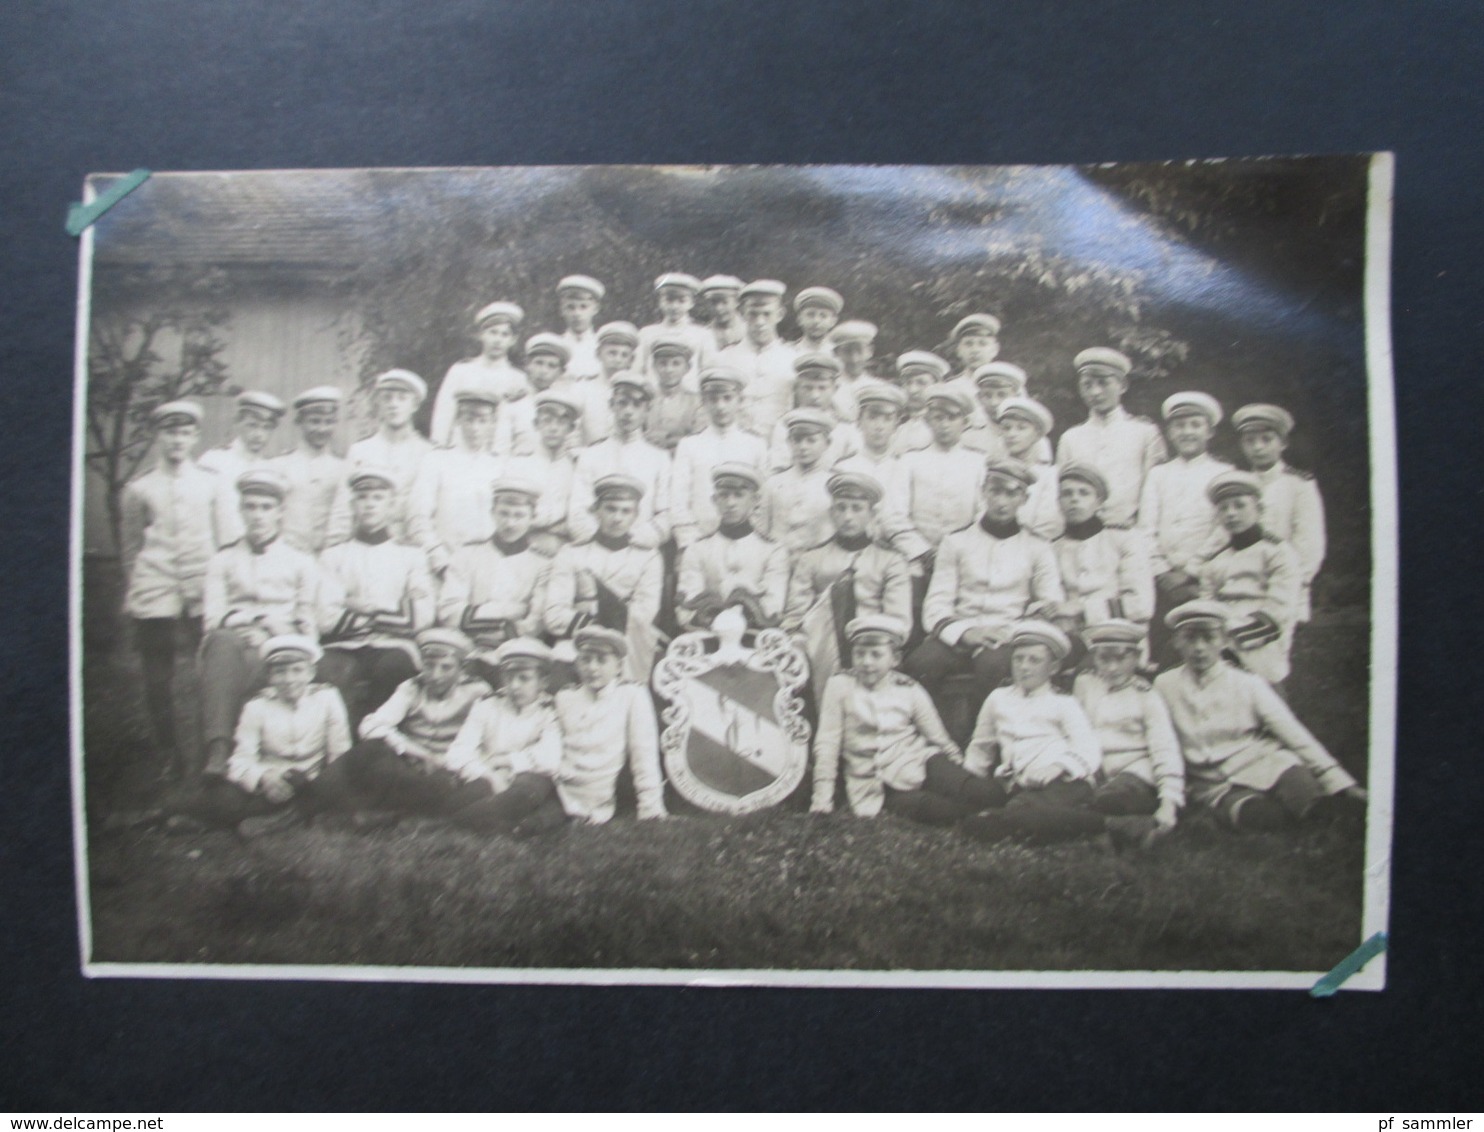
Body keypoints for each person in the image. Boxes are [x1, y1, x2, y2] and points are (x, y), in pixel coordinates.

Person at [1153, 601, 1365, 830]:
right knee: (1262, 818)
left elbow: (1292, 732)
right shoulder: (1165, 685)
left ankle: (1330, 806)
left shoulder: (1248, 683)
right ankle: (1254, 813)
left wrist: (1341, 782)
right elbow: (1159, 739)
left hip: (1264, 763)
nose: (1199, 648)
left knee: (1306, 795)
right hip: (1213, 782)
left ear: (1225, 640)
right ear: (1176, 642)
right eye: (1190, 638)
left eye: (1209, 638)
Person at [904, 458, 1064, 715]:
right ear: (983, 493)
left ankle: (984, 743)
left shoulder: (1038, 547)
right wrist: (966, 632)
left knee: (995, 665)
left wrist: (1009, 632)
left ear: (1024, 498)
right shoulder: (956, 542)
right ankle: (931, 740)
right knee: (921, 663)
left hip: (1008, 636)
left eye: (1012, 493)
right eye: (995, 491)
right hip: (958, 634)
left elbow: (1048, 605)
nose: (1002, 501)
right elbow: (936, 604)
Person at [809, 615, 1004, 823]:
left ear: (895, 659)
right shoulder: (840, 687)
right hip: (877, 784)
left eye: (876, 655)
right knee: (942, 811)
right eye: (860, 654)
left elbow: (938, 737)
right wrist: (822, 799)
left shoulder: (908, 688)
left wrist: (958, 772)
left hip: (920, 760)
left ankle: (1007, 811)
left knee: (983, 793)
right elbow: (827, 743)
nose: (866, 662)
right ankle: (987, 820)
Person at [120, 400, 221, 780]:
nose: (177, 439)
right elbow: (131, 549)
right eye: (169, 432)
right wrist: (136, 590)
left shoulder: (210, 482)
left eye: (184, 432)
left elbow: (225, 540)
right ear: (157, 436)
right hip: (156, 586)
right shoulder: (140, 489)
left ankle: (212, 747)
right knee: (158, 676)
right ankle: (170, 752)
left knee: (209, 669)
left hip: (201, 585)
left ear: (195, 436)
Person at [198, 469, 320, 779]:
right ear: (240, 511)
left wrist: (269, 629)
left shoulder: (300, 561)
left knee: (239, 649)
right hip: (235, 645)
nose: (258, 516)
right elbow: (213, 618)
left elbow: (308, 624)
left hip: (283, 646)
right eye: (250, 507)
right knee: (222, 643)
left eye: (266, 508)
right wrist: (247, 623)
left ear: (280, 512)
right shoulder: (222, 560)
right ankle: (219, 748)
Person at [169, 635, 351, 838]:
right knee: (226, 797)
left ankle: (209, 820)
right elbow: (240, 761)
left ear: (311, 673)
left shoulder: (327, 698)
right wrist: (264, 778)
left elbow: (340, 755)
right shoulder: (257, 707)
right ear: (270, 677)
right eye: (280, 672)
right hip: (266, 783)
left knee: (298, 785)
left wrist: (328, 790)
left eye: (297, 670)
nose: (289, 680)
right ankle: (269, 817)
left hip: (307, 783)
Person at [315, 628, 495, 829]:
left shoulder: (478, 692)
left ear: (462, 669)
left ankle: (374, 814)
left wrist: (446, 763)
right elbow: (371, 725)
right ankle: (316, 802)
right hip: (406, 765)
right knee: (369, 750)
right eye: (429, 666)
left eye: (446, 668)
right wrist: (419, 753)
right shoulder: (412, 687)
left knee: (448, 787)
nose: (435, 675)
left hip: (448, 771)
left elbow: (483, 740)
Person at [957, 622, 1106, 845]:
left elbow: (1089, 748)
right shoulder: (998, 698)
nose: (1024, 667)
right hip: (1022, 787)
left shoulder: (1063, 703)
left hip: (1064, 783)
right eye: (1018, 658)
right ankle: (1079, 826)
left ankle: (1105, 824)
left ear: (1053, 668)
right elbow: (981, 746)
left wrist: (1057, 767)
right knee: (984, 818)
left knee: (1012, 814)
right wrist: (971, 785)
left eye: (1034, 660)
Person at [316, 467, 435, 727]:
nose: (369, 505)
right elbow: (325, 618)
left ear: (392, 506)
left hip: (394, 645)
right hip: (343, 645)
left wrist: (355, 605)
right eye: (363, 497)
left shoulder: (411, 556)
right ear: (352, 505)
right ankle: (342, 752)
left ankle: (380, 746)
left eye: (378, 498)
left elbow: (420, 616)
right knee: (331, 670)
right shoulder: (333, 557)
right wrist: (391, 610)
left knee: (394, 668)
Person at [782, 471, 912, 699]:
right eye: (841, 508)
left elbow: (899, 621)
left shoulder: (890, 560)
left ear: (872, 514)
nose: (848, 517)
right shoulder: (811, 559)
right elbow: (795, 617)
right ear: (832, 513)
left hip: (873, 650)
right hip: (819, 652)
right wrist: (800, 644)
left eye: (856, 508)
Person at [1139, 391, 1233, 663]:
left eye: (1195, 425)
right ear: (1170, 431)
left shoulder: (1222, 472)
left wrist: (1190, 570)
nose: (1187, 432)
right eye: (1179, 426)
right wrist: (1161, 571)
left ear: (1210, 431)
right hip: (1162, 579)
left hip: (1202, 576)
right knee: (1161, 646)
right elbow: (1146, 527)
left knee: (1203, 641)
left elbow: (1222, 529)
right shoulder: (1158, 474)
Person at [544, 474, 664, 681]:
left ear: (636, 515)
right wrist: (597, 620)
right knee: (560, 664)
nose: (617, 518)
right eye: (610, 509)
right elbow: (554, 616)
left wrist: (590, 608)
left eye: (625, 511)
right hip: (577, 643)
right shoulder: (571, 553)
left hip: (627, 644)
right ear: (596, 511)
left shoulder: (649, 557)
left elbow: (644, 613)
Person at [1073, 620, 1184, 844]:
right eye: (1104, 658)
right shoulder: (1085, 684)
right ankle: (1130, 827)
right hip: (1095, 771)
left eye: (1121, 658)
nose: (1112, 668)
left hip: (1136, 773)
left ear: (1136, 657)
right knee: (1070, 796)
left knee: (1111, 800)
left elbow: (1165, 748)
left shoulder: (1146, 696)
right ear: (1094, 658)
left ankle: (1103, 826)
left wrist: (1169, 802)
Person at [443, 638, 566, 835]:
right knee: (461, 798)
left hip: (528, 781)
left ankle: (469, 819)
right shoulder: (487, 705)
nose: (515, 686)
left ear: (543, 682)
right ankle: (519, 823)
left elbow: (551, 759)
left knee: (527, 790)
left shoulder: (549, 711)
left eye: (524, 678)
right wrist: (490, 776)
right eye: (509, 678)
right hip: (487, 776)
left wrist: (507, 761)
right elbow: (457, 753)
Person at [439, 478, 553, 683]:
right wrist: (514, 610)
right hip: (467, 648)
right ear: (492, 512)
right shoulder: (466, 555)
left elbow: (536, 622)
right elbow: (449, 612)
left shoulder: (543, 564)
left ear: (532, 517)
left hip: (518, 651)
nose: (510, 523)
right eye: (504, 514)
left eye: (519, 515)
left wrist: (479, 614)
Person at [1195, 470, 1302, 687]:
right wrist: (1215, 640)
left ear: (1259, 510)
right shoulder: (1215, 561)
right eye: (1223, 508)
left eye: (1239, 505)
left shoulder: (1278, 552)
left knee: (1260, 701)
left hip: (1261, 641)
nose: (1231, 514)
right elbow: (1208, 605)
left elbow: (1279, 609)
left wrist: (1230, 640)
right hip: (1219, 644)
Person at [551, 625, 668, 824]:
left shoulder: (631, 696)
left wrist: (650, 808)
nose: (592, 668)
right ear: (577, 664)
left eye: (602, 660)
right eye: (585, 660)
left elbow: (644, 754)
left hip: (601, 793)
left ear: (618, 666)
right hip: (561, 788)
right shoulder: (565, 698)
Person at [1231, 403, 1326, 623]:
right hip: (1242, 584)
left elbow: (1309, 544)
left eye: (1266, 440)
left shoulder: (1299, 484)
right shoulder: (1237, 483)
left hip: (1285, 586)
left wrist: (1292, 582)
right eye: (1250, 441)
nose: (1258, 447)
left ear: (1283, 443)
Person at [1055, 347, 1167, 528]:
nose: (1095, 392)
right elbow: (1062, 494)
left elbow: (1154, 494)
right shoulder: (1070, 438)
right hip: (1082, 535)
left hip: (1128, 532)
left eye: (1103, 383)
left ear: (1122, 385)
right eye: (1087, 385)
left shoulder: (1145, 433)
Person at [675, 464, 789, 631]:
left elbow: (773, 607)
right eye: (724, 495)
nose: (730, 503)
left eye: (739, 495)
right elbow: (686, 607)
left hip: (755, 637)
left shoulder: (773, 551)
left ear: (755, 500)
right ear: (714, 500)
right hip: (707, 636)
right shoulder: (697, 549)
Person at [406, 385, 503, 578]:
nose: (475, 428)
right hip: (444, 565)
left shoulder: (499, 466)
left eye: (483, 421)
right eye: (469, 419)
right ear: (458, 420)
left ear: (493, 423)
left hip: (489, 568)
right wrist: (438, 558)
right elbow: (418, 518)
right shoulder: (436, 461)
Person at [567, 371, 672, 549]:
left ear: (647, 409)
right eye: (622, 403)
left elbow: (665, 514)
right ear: (611, 405)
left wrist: (636, 540)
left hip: (640, 551)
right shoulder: (591, 455)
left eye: (636, 405)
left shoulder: (659, 458)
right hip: (594, 548)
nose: (628, 412)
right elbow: (578, 511)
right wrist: (601, 541)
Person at [1050, 462, 1155, 638]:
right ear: (1059, 503)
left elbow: (1141, 605)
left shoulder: (1125, 539)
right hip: (1066, 635)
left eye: (1084, 493)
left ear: (1099, 502)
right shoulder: (1053, 548)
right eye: (1067, 494)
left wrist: (1082, 610)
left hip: (1118, 634)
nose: (1074, 499)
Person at [670, 366, 769, 551]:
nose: (720, 406)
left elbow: (762, 500)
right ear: (703, 403)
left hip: (745, 543)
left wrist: (752, 542)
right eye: (713, 399)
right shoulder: (689, 445)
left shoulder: (756, 445)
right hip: (698, 542)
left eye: (727, 398)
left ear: (740, 401)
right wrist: (689, 544)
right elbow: (678, 499)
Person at [332, 369, 434, 545]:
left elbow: (432, 512)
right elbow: (343, 509)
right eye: (387, 398)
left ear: (415, 405)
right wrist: (334, 548)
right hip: (368, 547)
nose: (393, 404)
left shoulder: (429, 453)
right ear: (378, 403)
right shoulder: (360, 450)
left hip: (413, 549)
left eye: (402, 398)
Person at [892, 385, 987, 563]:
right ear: (928, 421)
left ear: (965, 422)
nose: (945, 425)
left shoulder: (978, 463)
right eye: (938, 418)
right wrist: (922, 552)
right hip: (916, 559)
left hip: (965, 556)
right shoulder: (910, 461)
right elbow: (894, 515)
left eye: (952, 418)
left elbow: (984, 512)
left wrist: (962, 549)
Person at [430, 301, 528, 447]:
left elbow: (523, 426)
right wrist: (439, 446)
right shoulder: (461, 371)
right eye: (493, 332)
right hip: (460, 452)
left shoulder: (517, 378)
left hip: (500, 456)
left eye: (504, 334)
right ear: (481, 334)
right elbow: (443, 416)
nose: (498, 340)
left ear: (513, 340)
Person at [199, 390, 286, 546]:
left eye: (266, 428)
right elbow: (199, 518)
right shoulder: (214, 461)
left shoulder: (272, 470)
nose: (259, 434)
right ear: (238, 422)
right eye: (252, 426)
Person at [269, 386, 348, 555]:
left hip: (330, 558)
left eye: (328, 422)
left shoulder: (343, 468)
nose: (321, 429)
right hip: (287, 557)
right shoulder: (279, 467)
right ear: (299, 422)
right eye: (314, 421)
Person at [717, 278, 797, 434]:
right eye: (753, 314)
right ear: (741, 314)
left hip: (780, 445)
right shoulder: (725, 358)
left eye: (767, 314)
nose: (760, 322)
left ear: (780, 314)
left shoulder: (793, 359)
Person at [755, 407, 838, 556]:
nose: (803, 447)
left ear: (827, 443)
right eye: (797, 440)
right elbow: (761, 530)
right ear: (789, 442)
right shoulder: (773, 483)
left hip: (818, 564)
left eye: (811, 440)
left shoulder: (834, 485)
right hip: (778, 563)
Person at [508, 388, 582, 555]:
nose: (553, 428)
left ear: (571, 428)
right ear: (536, 424)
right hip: (524, 545)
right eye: (547, 421)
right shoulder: (519, 464)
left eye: (561, 423)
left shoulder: (577, 467)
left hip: (566, 547)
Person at [765, 352, 859, 471]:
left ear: (835, 389)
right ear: (797, 388)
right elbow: (778, 466)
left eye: (822, 388)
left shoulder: (845, 427)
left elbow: (855, 464)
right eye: (807, 388)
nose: (815, 396)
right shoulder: (785, 425)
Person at [993, 396, 1062, 540]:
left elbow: (1049, 524)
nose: (1011, 434)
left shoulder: (1049, 476)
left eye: (1021, 428)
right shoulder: (992, 473)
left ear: (1037, 435)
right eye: (1006, 428)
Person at [637, 272, 711, 389]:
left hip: (691, 398)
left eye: (682, 301)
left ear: (691, 303)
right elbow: (638, 370)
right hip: (653, 397)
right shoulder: (646, 333)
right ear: (660, 302)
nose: (675, 306)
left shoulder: (702, 335)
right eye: (669, 300)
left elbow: (708, 372)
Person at [578, 320, 639, 445]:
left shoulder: (637, 391)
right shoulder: (582, 389)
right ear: (598, 354)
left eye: (624, 355)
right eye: (612, 353)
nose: (617, 359)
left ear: (632, 360)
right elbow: (573, 432)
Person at [644, 334, 703, 451]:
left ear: (687, 367)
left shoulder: (697, 402)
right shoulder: (644, 399)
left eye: (676, 363)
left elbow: (700, 438)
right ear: (654, 366)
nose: (669, 370)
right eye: (663, 363)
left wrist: (669, 440)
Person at [943, 312, 1003, 425]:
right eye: (968, 344)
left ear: (995, 349)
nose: (975, 350)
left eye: (982, 343)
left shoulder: (1008, 386)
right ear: (958, 350)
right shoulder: (950, 389)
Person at [890, 349, 951, 455]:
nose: (913, 390)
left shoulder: (945, 427)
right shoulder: (897, 429)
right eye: (908, 383)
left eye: (921, 383)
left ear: (937, 386)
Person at [830, 319, 890, 424]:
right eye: (847, 351)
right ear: (836, 353)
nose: (854, 359)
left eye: (859, 351)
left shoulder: (880, 388)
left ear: (870, 351)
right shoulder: (827, 388)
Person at [555, 274, 605, 381]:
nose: (577, 314)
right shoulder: (556, 346)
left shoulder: (603, 346)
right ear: (561, 310)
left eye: (583, 307)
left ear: (595, 309)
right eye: (570, 307)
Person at [792, 285, 843, 359]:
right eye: (810, 314)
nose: (816, 321)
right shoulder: (788, 352)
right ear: (799, 319)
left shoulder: (839, 356)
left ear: (833, 321)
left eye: (823, 316)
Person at [699, 274, 746, 352]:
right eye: (713, 303)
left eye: (725, 302)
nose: (718, 308)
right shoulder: (704, 334)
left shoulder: (748, 331)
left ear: (737, 302)